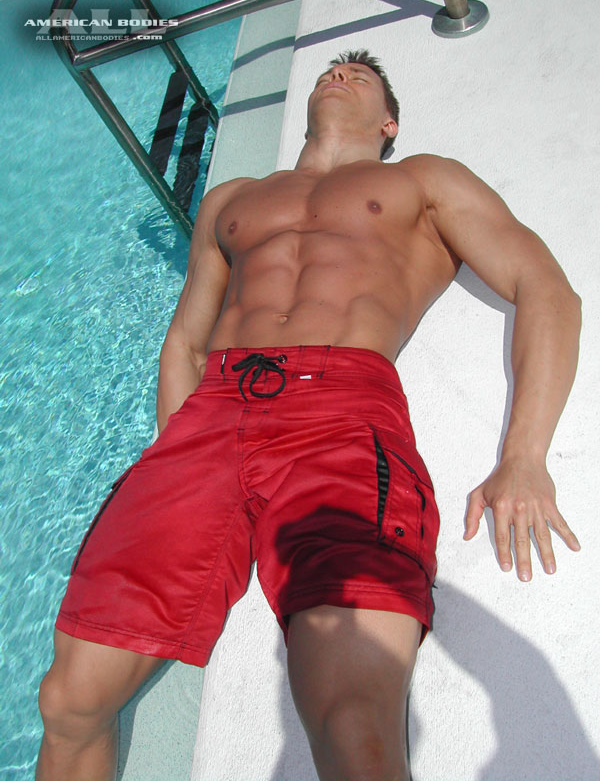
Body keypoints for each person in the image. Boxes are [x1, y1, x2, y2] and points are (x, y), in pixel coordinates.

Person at [36, 49, 581, 781]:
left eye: (362, 76)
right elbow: (186, 342)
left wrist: (524, 456)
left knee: (353, 722)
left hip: (341, 415)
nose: (339, 74)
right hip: (209, 417)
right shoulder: (231, 199)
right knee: (68, 702)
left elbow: (545, 286)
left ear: (388, 122)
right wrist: (178, 470)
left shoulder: (422, 179)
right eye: (332, 70)